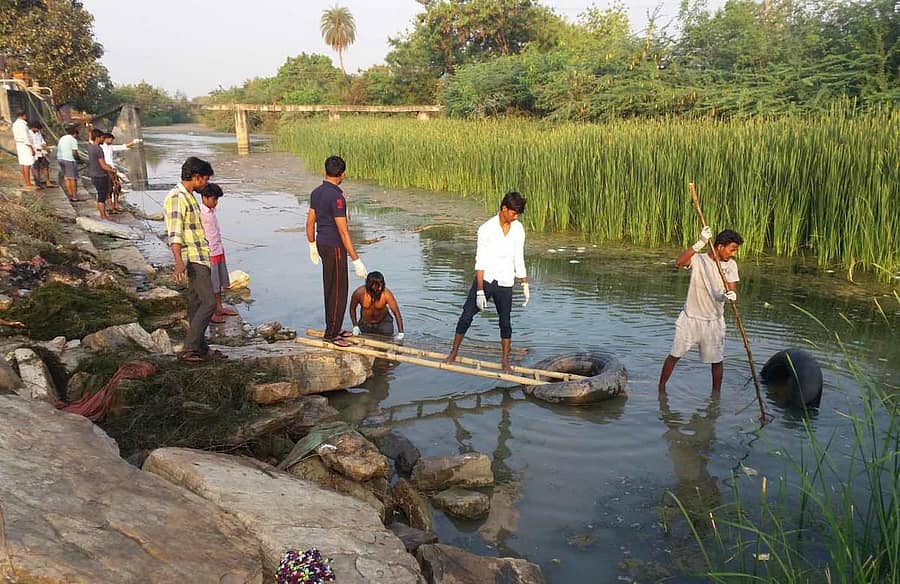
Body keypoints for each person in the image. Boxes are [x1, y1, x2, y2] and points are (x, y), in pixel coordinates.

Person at [445, 191, 531, 373]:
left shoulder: (518, 229)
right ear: (504, 209)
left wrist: (524, 282)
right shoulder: (486, 229)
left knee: (505, 323)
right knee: (466, 316)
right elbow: (480, 261)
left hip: (506, 281)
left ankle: (505, 361)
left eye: (518, 215)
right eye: (513, 213)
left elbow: (518, 257)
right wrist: (479, 290)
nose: (515, 217)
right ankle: (453, 353)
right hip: (486, 279)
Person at [658, 227, 743, 393]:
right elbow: (680, 262)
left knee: (717, 360)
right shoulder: (699, 259)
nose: (733, 254)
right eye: (732, 249)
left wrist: (729, 296)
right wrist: (700, 243)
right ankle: (661, 388)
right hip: (690, 319)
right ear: (720, 246)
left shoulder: (731, 265)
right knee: (674, 355)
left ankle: (715, 395)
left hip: (714, 321)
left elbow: (732, 290)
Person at [163, 156, 223, 363]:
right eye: (205, 179)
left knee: (196, 303)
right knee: (208, 303)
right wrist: (178, 260)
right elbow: (175, 232)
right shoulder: (177, 198)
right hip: (193, 258)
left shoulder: (189, 196)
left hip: (200, 255)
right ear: (196, 177)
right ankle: (189, 348)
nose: (206, 184)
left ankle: (200, 347)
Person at [306, 155, 367, 347]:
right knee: (339, 291)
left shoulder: (316, 192)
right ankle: (331, 334)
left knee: (330, 287)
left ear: (325, 171)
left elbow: (309, 222)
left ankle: (334, 326)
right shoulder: (337, 197)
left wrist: (311, 244)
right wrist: (356, 259)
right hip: (335, 247)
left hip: (323, 244)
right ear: (343, 174)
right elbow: (343, 231)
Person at [198, 182, 240, 324]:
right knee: (210, 284)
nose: (216, 203)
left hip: (218, 250)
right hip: (208, 252)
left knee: (218, 282)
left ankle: (219, 307)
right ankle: (210, 312)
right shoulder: (200, 213)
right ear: (205, 197)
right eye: (214, 199)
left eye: (217, 200)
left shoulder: (211, 211)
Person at [349, 271, 405, 341]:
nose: (380, 288)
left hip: (384, 324)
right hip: (365, 324)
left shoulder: (386, 294)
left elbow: (396, 313)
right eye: (377, 285)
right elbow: (352, 309)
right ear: (370, 285)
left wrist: (401, 333)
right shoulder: (359, 293)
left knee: (387, 343)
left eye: (382, 284)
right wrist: (355, 326)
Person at [101, 132, 137, 213]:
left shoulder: (110, 147)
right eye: (111, 139)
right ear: (106, 139)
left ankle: (116, 205)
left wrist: (133, 142)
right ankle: (111, 207)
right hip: (107, 169)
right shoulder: (100, 147)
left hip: (113, 169)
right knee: (109, 189)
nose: (112, 141)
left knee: (117, 187)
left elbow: (123, 146)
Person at [87, 128, 116, 219]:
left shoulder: (91, 147)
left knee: (101, 194)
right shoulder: (98, 149)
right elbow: (103, 165)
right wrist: (113, 171)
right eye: (102, 137)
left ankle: (103, 215)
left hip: (93, 175)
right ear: (97, 138)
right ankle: (103, 216)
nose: (103, 139)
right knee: (102, 196)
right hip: (100, 175)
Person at [56, 125, 82, 202]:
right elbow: (74, 152)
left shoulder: (62, 138)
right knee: (73, 178)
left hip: (60, 159)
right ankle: (74, 196)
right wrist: (79, 159)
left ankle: (70, 194)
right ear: (75, 134)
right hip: (69, 159)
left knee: (67, 177)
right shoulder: (73, 140)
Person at [12, 111, 34, 189]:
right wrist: (32, 148)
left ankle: (26, 181)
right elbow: (26, 138)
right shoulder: (22, 125)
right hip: (25, 145)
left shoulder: (15, 124)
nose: (26, 117)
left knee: (23, 163)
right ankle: (28, 182)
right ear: (22, 116)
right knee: (27, 163)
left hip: (19, 144)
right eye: (25, 115)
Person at [28, 121, 53, 188]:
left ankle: (48, 182)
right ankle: (38, 183)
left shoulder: (38, 133)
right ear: (33, 128)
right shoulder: (29, 133)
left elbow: (42, 140)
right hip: (35, 153)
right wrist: (37, 149)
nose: (38, 130)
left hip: (42, 152)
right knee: (36, 168)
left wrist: (44, 144)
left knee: (45, 166)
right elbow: (30, 144)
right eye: (37, 129)